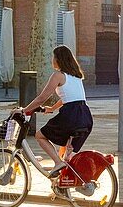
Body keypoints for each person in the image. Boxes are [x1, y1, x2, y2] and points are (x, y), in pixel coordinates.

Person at [20, 45, 93, 177]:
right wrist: (52, 108)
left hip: (70, 116)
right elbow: (70, 98)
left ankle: (57, 163)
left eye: (53, 57)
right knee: (67, 154)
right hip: (85, 115)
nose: (52, 60)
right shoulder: (76, 76)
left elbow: (42, 98)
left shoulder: (58, 75)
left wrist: (24, 110)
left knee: (40, 136)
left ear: (59, 59)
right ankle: (63, 184)